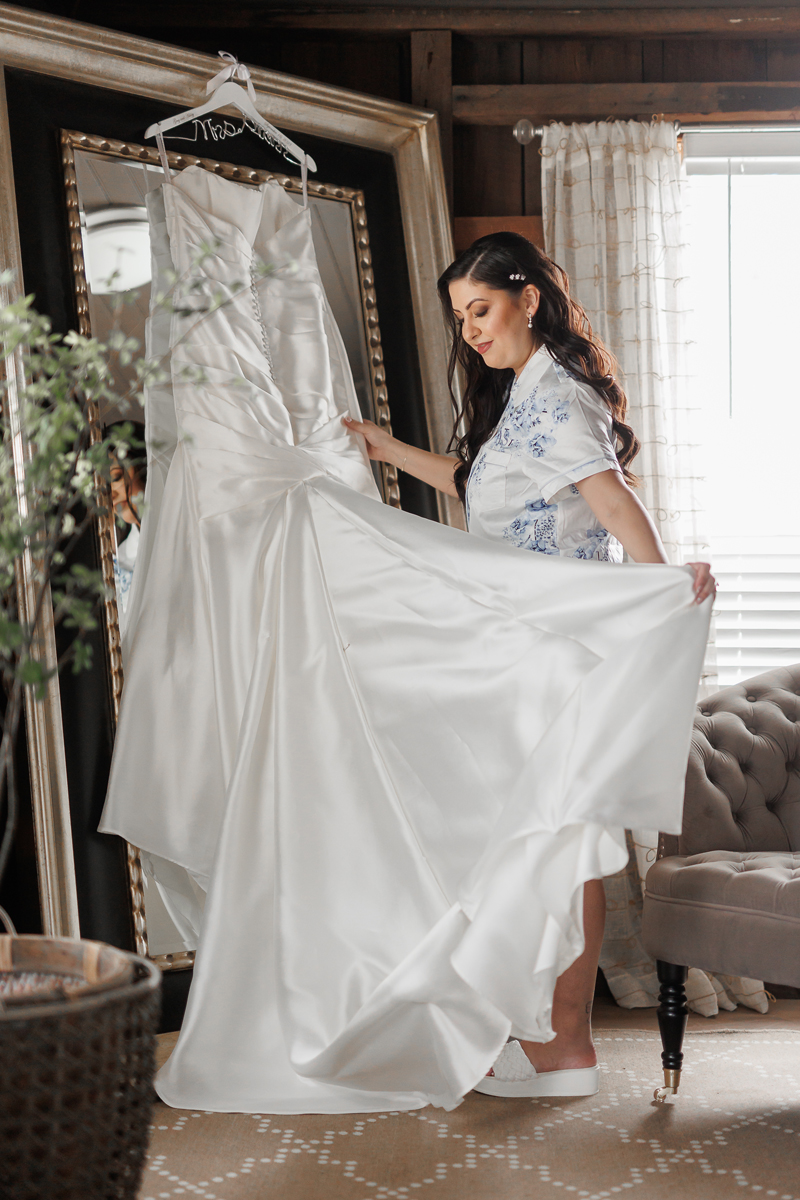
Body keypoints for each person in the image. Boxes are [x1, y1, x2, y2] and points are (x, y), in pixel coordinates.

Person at [343, 231, 715, 1094]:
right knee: (540, 836)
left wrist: (659, 590)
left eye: (481, 309)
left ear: (528, 300)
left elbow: (612, 503)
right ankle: (548, 1034)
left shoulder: (558, 398)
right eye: (460, 318)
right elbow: (480, 486)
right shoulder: (525, 396)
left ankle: (563, 1045)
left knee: (561, 836)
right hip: (517, 645)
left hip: (552, 651)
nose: (469, 330)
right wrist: (381, 448)